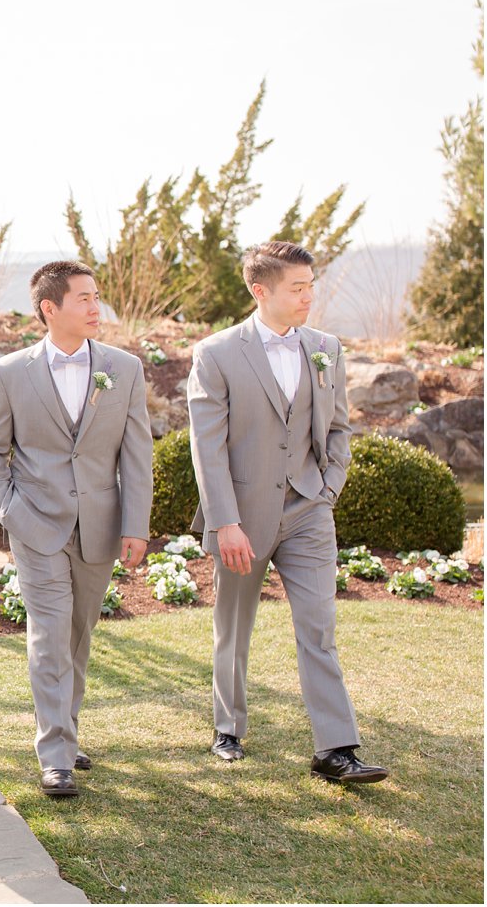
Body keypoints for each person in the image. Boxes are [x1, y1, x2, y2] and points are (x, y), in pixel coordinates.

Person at [188, 241, 387, 784]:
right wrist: (225, 521)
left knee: (319, 628)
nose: (308, 296)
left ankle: (336, 748)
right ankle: (227, 727)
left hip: (308, 509)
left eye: (310, 285)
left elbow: (340, 427)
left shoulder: (325, 348)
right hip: (242, 516)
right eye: (297, 288)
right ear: (261, 291)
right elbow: (206, 445)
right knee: (233, 624)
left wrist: (328, 489)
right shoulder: (218, 353)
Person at [0, 260, 152, 797]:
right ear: (50, 309)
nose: (97, 308)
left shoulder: (125, 368)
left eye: (98, 298)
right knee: (50, 636)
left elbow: (136, 455)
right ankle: (55, 755)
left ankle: (65, 736)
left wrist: (136, 525)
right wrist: (6, 510)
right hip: (36, 523)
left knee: (77, 635)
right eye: (84, 299)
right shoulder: (10, 372)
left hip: (99, 524)